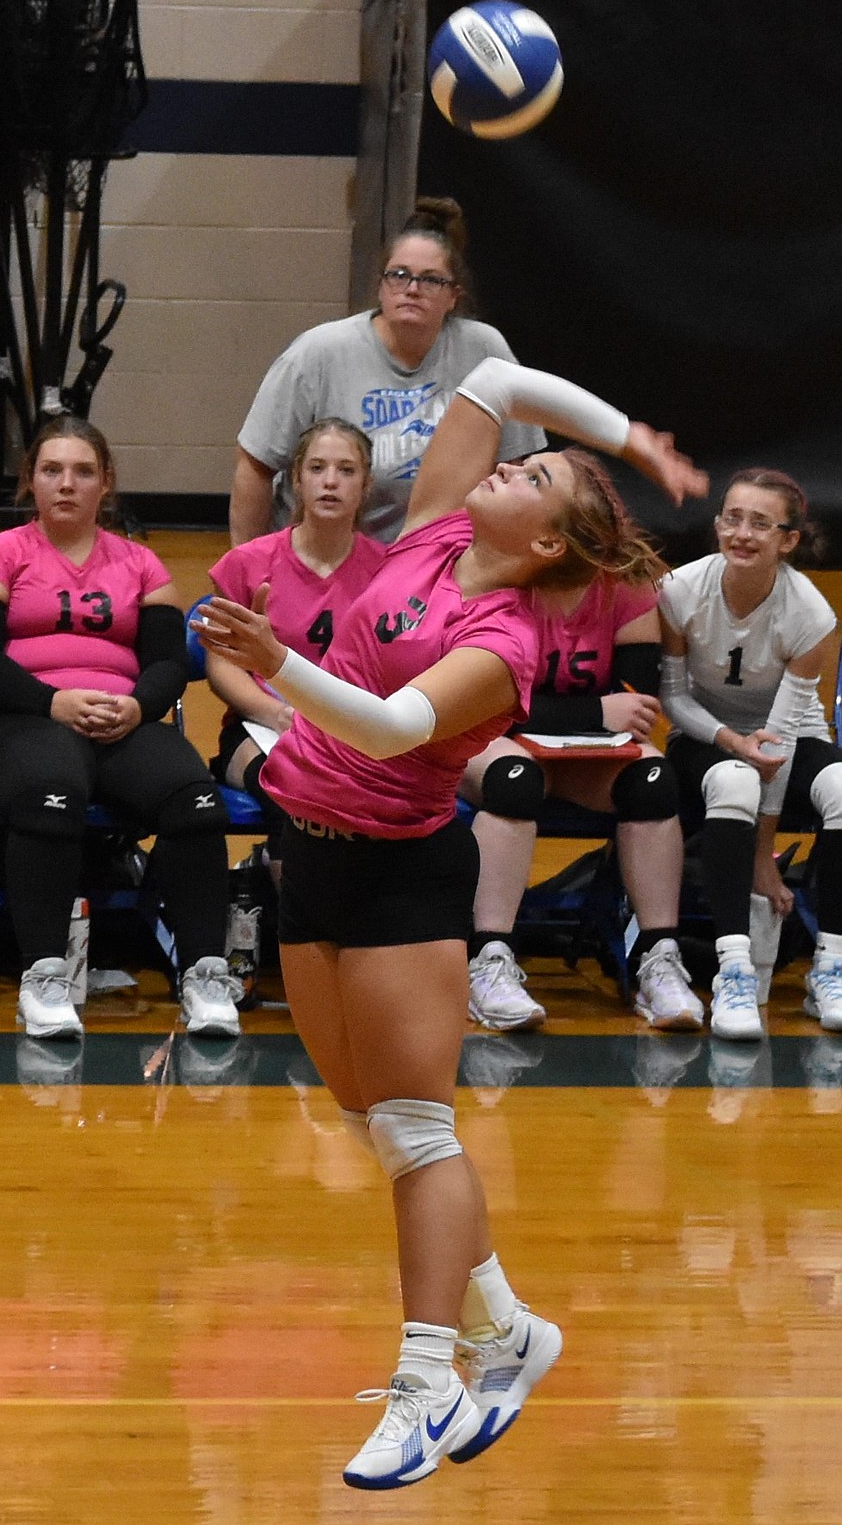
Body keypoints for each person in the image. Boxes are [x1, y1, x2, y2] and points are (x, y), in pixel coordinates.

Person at [197, 355, 705, 1488]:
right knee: (368, 1117)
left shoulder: (508, 644)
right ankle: (511, 1330)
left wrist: (278, 662)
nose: (511, 463)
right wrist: (630, 437)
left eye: (536, 479)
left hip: (403, 874)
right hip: (308, 855)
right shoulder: (432, 529)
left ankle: (431, 1385)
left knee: (419, 1133)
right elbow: (494, 375)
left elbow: (385, 730)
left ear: (544, 547)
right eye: (522, 461)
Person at [0, 416, 241, 1043]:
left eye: (83, 472)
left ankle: (205, 973)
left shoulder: (141, 564)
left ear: (106, 483)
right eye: (52, 470)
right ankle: (46, 976)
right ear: (31, 480)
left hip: (118, 720)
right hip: (14, 719)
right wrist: (51, 702)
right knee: (51, 794)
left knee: (196, 798)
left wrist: (138, 706)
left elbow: (166, 662)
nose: (67, 484)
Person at [460, 469, 704, 1034]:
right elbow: (480, 697)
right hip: (485, 739)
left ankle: (658, 957)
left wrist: (590, 717)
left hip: (574, 753)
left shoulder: (628, 587)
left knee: (652, 779)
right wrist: (592, 713)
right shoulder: (502, 575)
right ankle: (489, 958)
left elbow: (637, 708)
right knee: (514, 779)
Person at [230, 198, 545, 545]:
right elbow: (254, 467)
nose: (412, 289)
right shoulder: (317, 352)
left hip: (435, 559)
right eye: (399, 275)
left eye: (431, 280)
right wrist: (245, 571)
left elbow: (518, 469)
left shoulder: (485, 351)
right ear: (380, 287)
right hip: (328, 556)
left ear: (454, 295)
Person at [660, 468, 842, 1042]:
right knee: (736, 779)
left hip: (787, 735)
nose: (741, 533)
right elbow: (673, 697)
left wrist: (765, 852)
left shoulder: (810, 615)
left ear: (787, 539)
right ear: (716, 525)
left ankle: (831, 967)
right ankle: (733, 971)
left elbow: (781, 741)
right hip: (704, 735)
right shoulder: (679, 590)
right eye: (732, 518)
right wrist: (729, 741)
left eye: (760, 524)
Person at [206, 418, 386, 871]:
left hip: (354, 733)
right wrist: (277, 714)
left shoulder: (389, 570)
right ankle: (297, 927)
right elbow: (222, 665)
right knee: (293, 795)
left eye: (346, 470)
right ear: (296, 481)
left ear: (365, 486)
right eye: (317, 468)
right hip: (259, 727)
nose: (330, 481)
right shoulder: (247, 563)